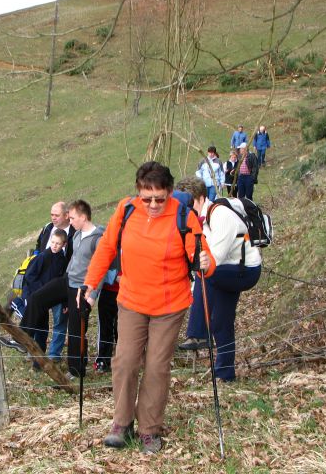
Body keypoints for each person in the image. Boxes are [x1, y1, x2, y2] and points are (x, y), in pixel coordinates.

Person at [83, 161, 214, 454]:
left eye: (159, 198)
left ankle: (149, 429)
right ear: (138, 193)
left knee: (156, 366)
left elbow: (201, 256)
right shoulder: (126, 211)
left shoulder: (184, 216)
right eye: (147, 198)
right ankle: (122, 423)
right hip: (131, 300)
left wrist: (206, 262)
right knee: (125, 361)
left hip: (169, 304)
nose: (153, 204)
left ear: (169, 191)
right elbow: (106, 247)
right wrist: (91, 285)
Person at [177, 181, 262, 383]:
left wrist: (193, 280)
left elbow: (214, 259)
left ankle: (198, 334)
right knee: (221, 323)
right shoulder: (200, 220)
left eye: (189, 205)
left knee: (206, 274)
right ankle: (225, 374)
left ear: (200, 198)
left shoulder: (220, 215)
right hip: (229, 270)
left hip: (246, 270)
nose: (187, 211)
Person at [20, 200, 104, 378]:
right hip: (66, 281)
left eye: (72, 218)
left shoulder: (98, 239)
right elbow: (72, 262)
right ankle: (22, 337)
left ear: (83, 217)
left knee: (76, 330)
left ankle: (76, 370)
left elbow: (101, 269)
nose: (70, 221)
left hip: (81, 289)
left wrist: (92, 296)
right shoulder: (76, 235)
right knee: (37, 298)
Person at [34, 201, 76, 360]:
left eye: (56, 215)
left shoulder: (74, 233)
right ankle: (37, 354)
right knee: (39, 320)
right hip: (41, 285)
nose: (53, 218)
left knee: (59, 321)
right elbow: (38, 249)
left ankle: (53, 356)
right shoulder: (47, 229)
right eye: (51, 214)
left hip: (61, 285)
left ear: (66, 215)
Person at [94, 264, 119, 373]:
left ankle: (124, 361)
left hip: (127, 292)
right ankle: (103, 361)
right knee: (105, 328)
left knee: (122, 329)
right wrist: (114, 276)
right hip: (108, 290)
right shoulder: (109, 247)